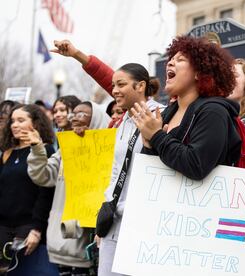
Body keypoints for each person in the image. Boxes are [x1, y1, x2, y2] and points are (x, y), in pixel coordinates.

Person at [51, 40, 166, 276]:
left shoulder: (161, 115)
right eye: (112, 85)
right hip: (113, 222)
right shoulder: (124, 119)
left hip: (144, 222)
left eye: (120, 84)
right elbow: (115, 170)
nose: (113, 90)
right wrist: (105, 215)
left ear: (141, 86)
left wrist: (78, 55)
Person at [132, 35, 241, 180]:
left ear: (199, 72)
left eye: (180, 60)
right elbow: (153, 171)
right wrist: (149, 146)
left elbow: (197, 165)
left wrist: (157, 137)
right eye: (171, 59)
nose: (170, 63)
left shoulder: (214, 112)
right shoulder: (167, 113)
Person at [24, 101, 110, 276]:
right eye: (74, 114)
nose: (74, 119)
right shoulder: (66, 149)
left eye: (81, 114)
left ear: (97, 120)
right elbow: (43, 176)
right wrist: (37, 149)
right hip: (60, 244)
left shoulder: (108, 151)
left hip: (86, 249)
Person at [0, 104, 57, 275]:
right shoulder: (7, 153)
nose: (14, 125)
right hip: (3, 228)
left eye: (21, 120)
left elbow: (45, 193)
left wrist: (37, 229)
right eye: (12, 121)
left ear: (36, 123)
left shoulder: (44, 149)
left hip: (28, 228)